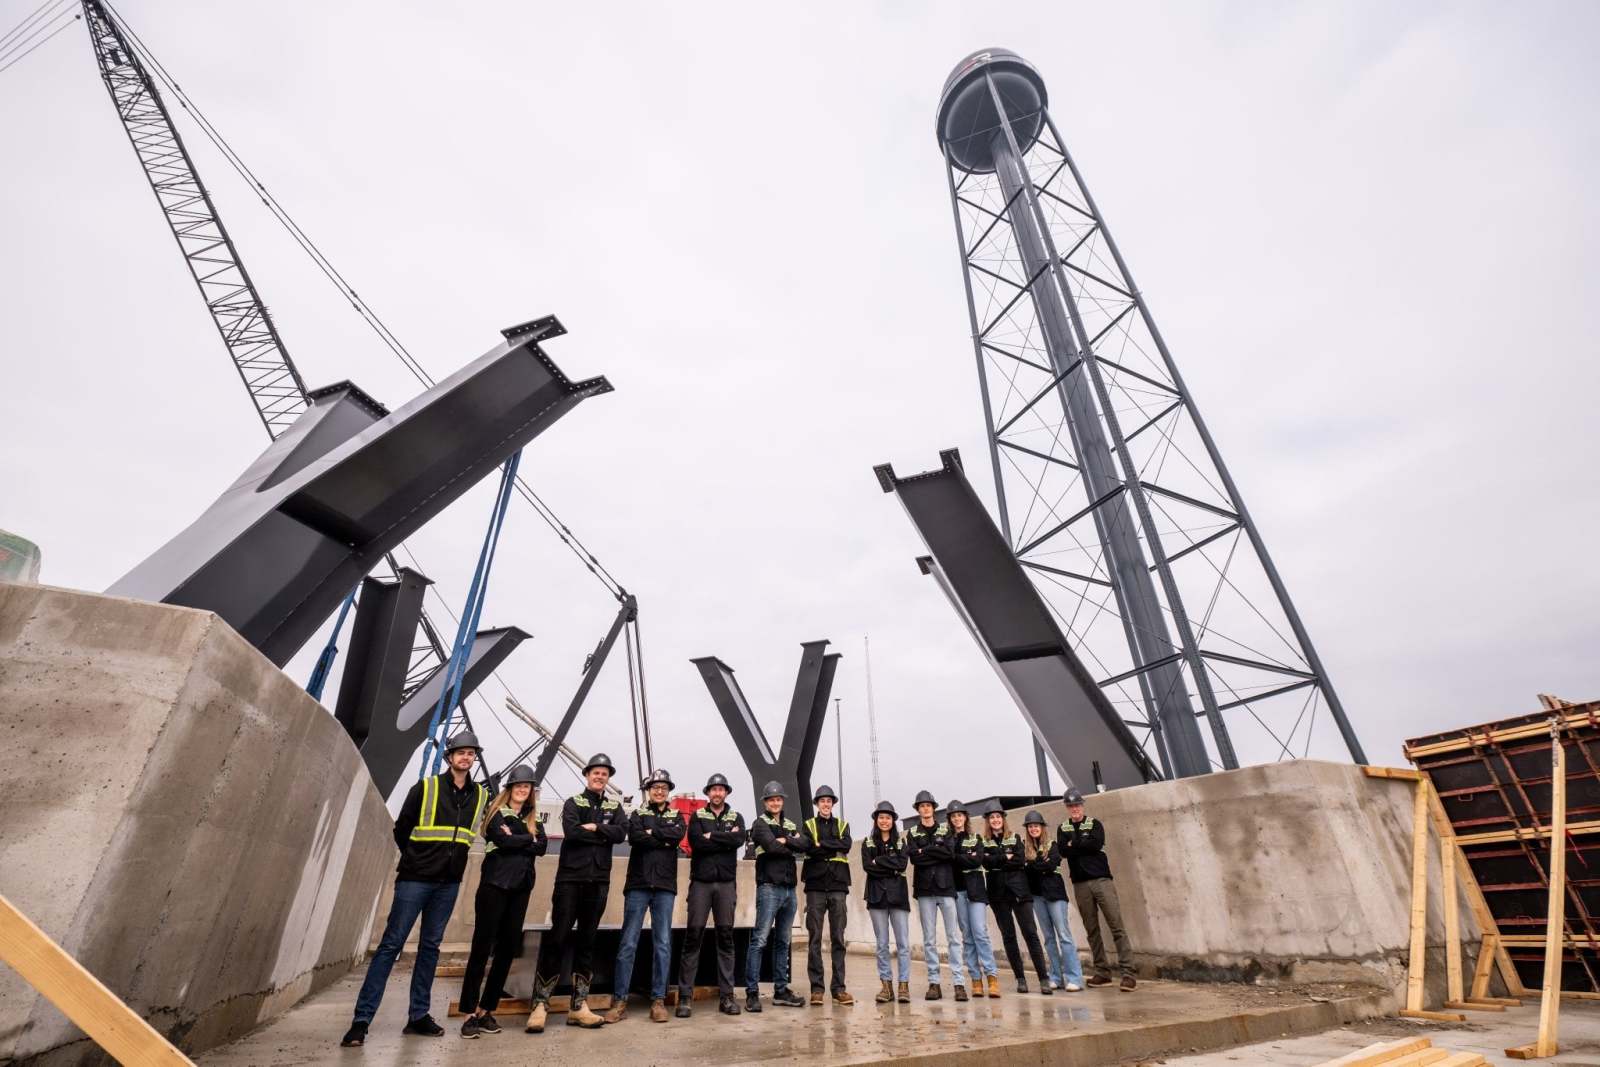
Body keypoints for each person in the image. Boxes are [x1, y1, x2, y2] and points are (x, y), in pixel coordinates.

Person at [341, 730, 489, 1047]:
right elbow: (402, 829)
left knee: (430, 949)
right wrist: (417, 859)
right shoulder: (427, 787)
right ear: (450, 757)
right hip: (415, 879)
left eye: (471, 753)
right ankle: (361, 1021)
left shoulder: (479, 795)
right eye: (461, 752)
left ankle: (418, 1016)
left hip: (448, 883)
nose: (466, 757)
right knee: (391, 946)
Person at [528, 753, 626, 1033]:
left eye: (604, 773)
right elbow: (572, 832)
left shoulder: (613, 805)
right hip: (570, 880)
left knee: (587, 942)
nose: (600, 777)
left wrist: (596, 827)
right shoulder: (574, 803)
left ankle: (579, 1006)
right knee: (557, 937)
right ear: (587, 775)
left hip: (598, 881)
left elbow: (621, 834)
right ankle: (540, 1005)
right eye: (596, 772)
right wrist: (604, 832)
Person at [459, 763, 548, 1038]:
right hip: (494, 886)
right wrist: (527, 839)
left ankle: (487, 1010)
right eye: (519, 786)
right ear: (510, 788)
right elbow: (501, 839)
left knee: (507, 950)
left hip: (520, 888)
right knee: (482, 947)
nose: (523, 790)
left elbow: (542, 847)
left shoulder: (536, 819)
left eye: (527, 787)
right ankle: (469, 1012)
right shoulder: (496, 813)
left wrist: (518, 838)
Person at [603, 768, 685, 1025]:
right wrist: (661, 837)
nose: (659, 790)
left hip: (664, 886)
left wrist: (654, 834)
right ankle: (620, 1001)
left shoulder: (676, 815)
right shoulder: (638, 814)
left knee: (663, 944)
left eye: (663, 787)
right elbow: (635, 838)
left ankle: (658, 1001)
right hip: (638, 884)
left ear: (668, 790)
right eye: (655, 787)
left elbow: (677, 837)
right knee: (628, 943)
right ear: (648, 790)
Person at [678, 772, 747, 1017]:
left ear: (726, 792)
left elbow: (739, 839)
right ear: (708, 793)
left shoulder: (736, 816)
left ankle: (727, 997)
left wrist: (715, 836)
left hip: (726, 884)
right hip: (701, 884)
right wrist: (724, 839)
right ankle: (685, 997)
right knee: (693, 937)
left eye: (721, 789)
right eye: (713, 789)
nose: (717, 793)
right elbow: (697, 842)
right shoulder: (698, 815)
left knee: (726, 938)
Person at [1058, 787, 1137, 991]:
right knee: (1092, 930)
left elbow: (1095, 845)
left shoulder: (1094, 824)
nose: (1074, 808)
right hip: (1080, 884)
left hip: (1101, 881)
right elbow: (1062, 851)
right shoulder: (1062, 828)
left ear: (1082, 805)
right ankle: (1102, 972)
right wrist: (1080, 844)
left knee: (1116, 926)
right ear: (1067, 807)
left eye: (1077, 805)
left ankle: (1128, 973)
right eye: (1071, 805)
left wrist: (1073, 844)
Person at [745, 780, 810, 1012]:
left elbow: (806, 844)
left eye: (778, 799)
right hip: (769, 888)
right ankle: (752, 993)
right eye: (771, 799)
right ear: (765, 802)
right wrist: (788, 843)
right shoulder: (759, 824)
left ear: (782, 801)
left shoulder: (791, 823)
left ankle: (781, 990)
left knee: (784, 942)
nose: (775, 802)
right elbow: (771, 848)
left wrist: (787, 840)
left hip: (789, 890)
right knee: (760, 940)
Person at [980, 802, 1052, 995]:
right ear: (988, 821)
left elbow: (1020, 860)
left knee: (1030, 934)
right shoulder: (983, 841)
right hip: (998, 894)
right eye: (991, 817)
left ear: (1003, 819)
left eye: (998, 817)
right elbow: (986, 863)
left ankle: (1043, 978)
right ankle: (1020, 979)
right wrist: (1006, 857)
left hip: (1020, 892)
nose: (995, 820)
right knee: (1009, 937)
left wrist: (999, 860)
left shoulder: (1015, 837)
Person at [906, 789, 966, 1001]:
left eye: (928, 805)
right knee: (929, 940)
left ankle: (959, 983)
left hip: (945, 888)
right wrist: (933, 851)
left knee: (953, 938)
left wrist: (926, 851)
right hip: (924, 890)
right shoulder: (912, 833)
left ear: (933, 808)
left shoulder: (945, 829)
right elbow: (914, 859)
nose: (925, 808)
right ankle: (934, 983)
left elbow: (948, 854)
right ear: (918, 809)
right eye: (921, 806)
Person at [801, 784, 854, 1006]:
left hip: (838, 886)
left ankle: (839, 989)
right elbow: (808, 848)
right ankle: (817, 989)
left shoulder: (843, 825)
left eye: (829, 801)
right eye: (822, 801)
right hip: (815, 887)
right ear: (817, 804)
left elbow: (847, 845)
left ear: (833, 803)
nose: (825, 804)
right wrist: (830, 847)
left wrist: (821, 844)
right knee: (814, 939)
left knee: (838, 939)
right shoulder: (808, 825)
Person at [1023, 809, 1083, 993]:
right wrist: (1036, 865)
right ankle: (1056, 976)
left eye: (1036, 826)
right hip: (1037, 896)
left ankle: (1074, 978)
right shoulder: (1025, 848)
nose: (1034, 829)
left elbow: (1051, 865)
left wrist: (1034, 865)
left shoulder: (1053, 845)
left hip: (1055, 896)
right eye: (1031, 826)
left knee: (1064, 936)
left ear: (1042, 827)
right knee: (1049, 938)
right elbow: (1027, 869)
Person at [862, 799, 913, 1004]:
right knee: (882, 944)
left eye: (888, 817)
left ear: (893, 820)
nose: (885, 821)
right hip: (876, 896)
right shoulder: (868, 842)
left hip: (898, 896)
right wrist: (888, 865)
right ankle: (886, 986)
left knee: (903, 944)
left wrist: (879, 861)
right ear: (876, 820)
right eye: (881, 817)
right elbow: (867, 866)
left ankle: (903, 986)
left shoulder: (901, 842)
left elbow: (901, 865)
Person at [948, 801, 1000, 998]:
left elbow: (977, 860)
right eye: (953, 816)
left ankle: (992, 978)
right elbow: (952, 859)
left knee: (980, 933)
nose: (957, 819)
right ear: (950, 820)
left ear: (965, 818)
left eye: (960, 815)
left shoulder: (975, 837)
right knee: (967, 936)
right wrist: (964, 857)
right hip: (958, 891)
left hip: (976, 891)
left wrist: (958, 857)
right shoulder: (949, 839)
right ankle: (976, 979)